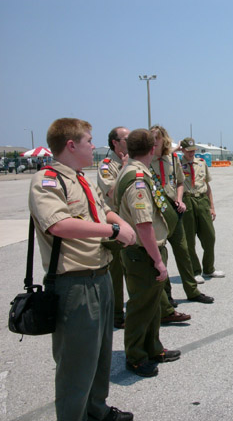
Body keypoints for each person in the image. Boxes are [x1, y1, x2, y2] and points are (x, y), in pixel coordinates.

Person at [28, 118, 134, 420]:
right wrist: (111, 232)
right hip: (73, 283)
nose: (93, 146)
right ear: (71, 145)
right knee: (76, 365)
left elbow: (103, 208)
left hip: (100, 277)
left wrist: (119, 221)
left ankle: (97, 411)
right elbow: (59, 225)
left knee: (100, 357)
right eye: (89, 141)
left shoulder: (81, 179)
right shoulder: (47, 181)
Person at [115, 128, 182, 377]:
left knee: (152, 305)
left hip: (147, 250)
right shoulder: (138, 179)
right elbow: (143, 226)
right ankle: (135, 357)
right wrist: (158, 261)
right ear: (153, 149)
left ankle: (153, 348)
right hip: (143, 253)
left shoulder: (136, 170)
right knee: (140, 307)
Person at [149, 125, 214, 316]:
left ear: (164, 139)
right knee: (161, 255)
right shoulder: (145, 158)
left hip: (173, 209)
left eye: (157, 139)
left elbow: (179, 181)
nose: (154, 142)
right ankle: (167, 296)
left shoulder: (172, 158)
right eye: (151, 138)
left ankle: (192, 290)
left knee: (183, 251)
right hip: (155, 211)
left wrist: (178, 198)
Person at [97, 126, 130, 329]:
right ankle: (117, 314)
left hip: (132, 223)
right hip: (115, 226)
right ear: (115, 143)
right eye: (126, 138)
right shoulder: (107, 165)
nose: (130, 141)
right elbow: (112, 193)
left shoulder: (133, 162)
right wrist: (125, 169)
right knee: (116, 272)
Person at [179, 137, 225, 280]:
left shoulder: (201, 163)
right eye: (188, 151)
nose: (191, 153)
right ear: (182, 150)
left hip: (202, 200)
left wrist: (212, 206)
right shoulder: (177, 165)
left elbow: (207, 186)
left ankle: (209, 269)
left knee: (209, 237)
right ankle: (195, 271)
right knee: (190, 240)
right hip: (187, 200)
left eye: (193, 151)